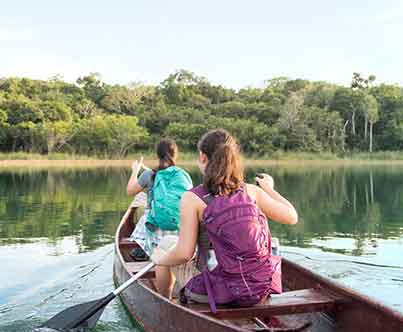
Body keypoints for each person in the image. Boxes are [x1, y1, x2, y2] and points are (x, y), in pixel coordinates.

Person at [151, 129, 298, 308]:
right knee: (169, 242)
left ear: (202, 157)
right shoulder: (251, 191)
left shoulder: (193, 199)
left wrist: (159, 261)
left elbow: (184, 253)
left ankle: (166, 305)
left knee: (163, 251)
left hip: (219, 291)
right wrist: (269, 188)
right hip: (261, 287)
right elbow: (292, 217)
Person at [126, 138, 193, 285]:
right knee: (169, 256)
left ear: (157, 155)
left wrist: (135, 171)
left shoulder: (149, 175)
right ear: (175, 155)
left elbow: (130, 191)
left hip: (156, 227)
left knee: (160, 261)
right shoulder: (182, 176)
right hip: (179, 227)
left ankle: (164, 296)